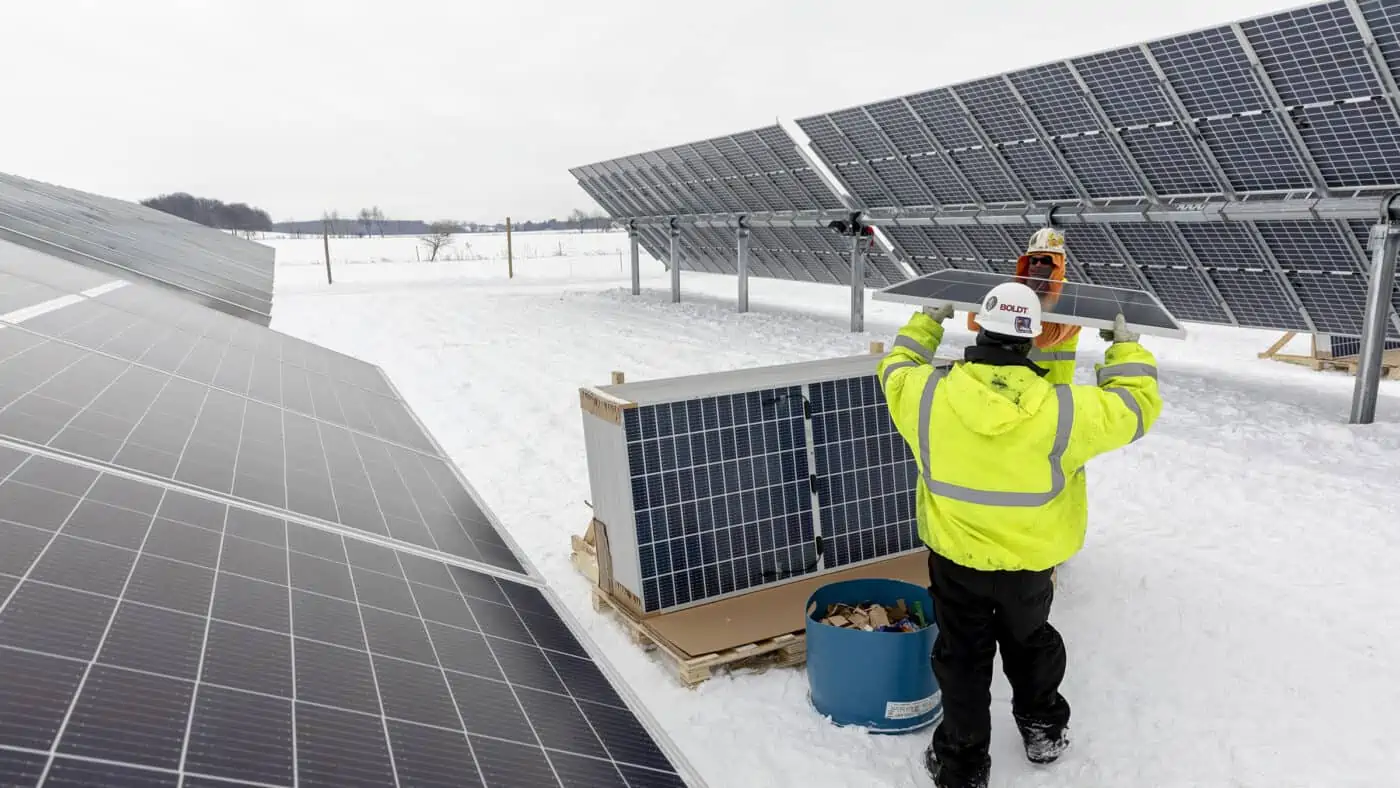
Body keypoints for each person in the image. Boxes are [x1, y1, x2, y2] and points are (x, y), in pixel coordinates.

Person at [878, 281, 1162, 788]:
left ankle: (962, 764)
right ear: (1030, 340)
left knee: (962, 655)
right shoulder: (1066, 411)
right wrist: (1124, 345)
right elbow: (1136, 406)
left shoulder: (924, 395)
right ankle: (1042, 731)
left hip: (956, 556)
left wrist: (927, 320)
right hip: (1030, 561)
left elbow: (894, 365)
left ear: (979, 327)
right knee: (1030, 643)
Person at [967, 227, 1080, 384]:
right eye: (1034, 260)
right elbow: (973, 324)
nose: (1038, 265)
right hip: (1012, 378)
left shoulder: (1071, 295)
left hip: (1050, 385)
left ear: (1058, 264)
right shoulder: (1018, 289)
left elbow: (1043, 339)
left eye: (1046, 260)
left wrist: (1043, 295)